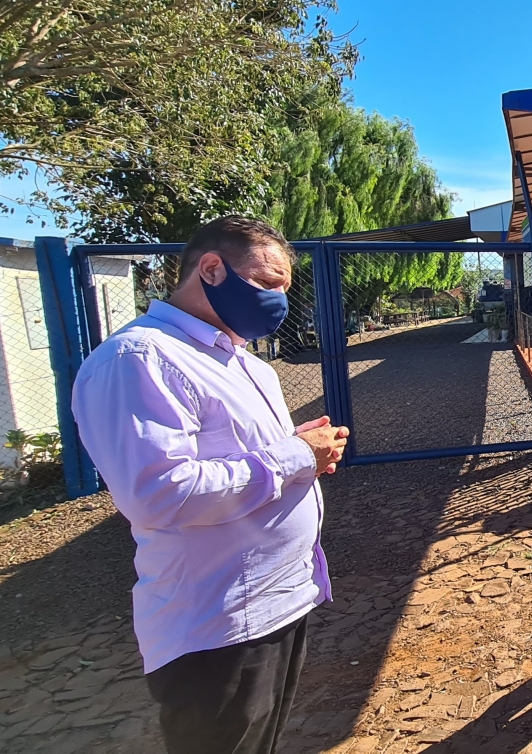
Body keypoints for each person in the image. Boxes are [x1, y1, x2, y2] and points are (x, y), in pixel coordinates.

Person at [71, 216, 350, 754]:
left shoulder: (240, 361)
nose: (277, 301)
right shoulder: (140, 360)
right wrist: (295, 454)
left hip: (278, 601)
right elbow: (159, 493)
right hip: (217, 622)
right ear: (212, 268)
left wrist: (298, 454)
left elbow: (243, 458)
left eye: (284, 290)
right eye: (267, 283)